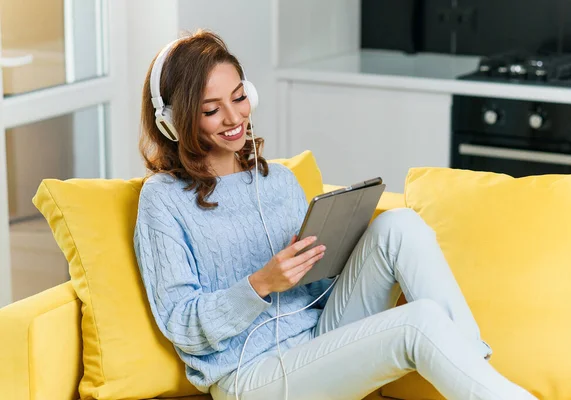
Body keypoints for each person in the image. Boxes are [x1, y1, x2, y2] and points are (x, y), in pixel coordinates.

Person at [133, 29, 536, 400]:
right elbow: (182, 326)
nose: (235, 118)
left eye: (239, 98)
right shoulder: (163, 200)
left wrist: (334, 254)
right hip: (250, 375)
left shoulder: (278, 181)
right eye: (211, 110)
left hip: (318, 342)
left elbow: (313, 296)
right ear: (173, 122)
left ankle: (473, 369)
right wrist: (260, 283)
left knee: (399, 225)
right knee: (419, 322)